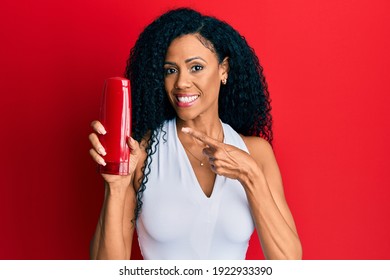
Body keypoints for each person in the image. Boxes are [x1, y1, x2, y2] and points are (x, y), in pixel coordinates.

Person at [88, 8, 302, 260]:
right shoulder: (141, 152)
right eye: (170, 70)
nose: (181, 83)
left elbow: (289, 264)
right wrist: (115, 187)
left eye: (196, 67)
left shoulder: (256, 153)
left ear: (223, 70)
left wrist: (250, 175)